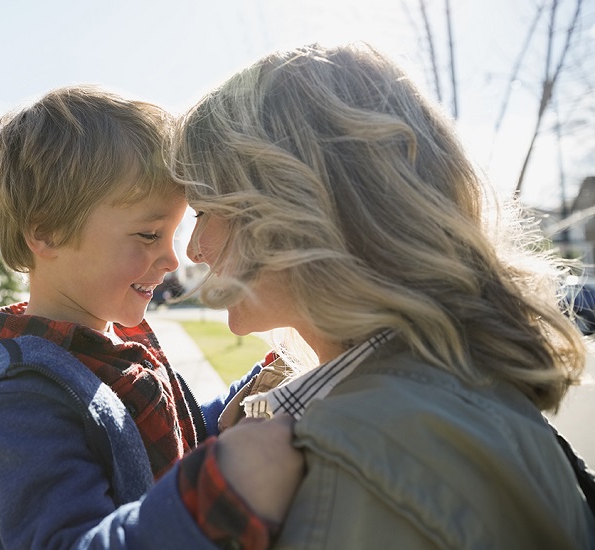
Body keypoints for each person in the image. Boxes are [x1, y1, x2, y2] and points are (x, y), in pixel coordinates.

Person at [169, 43, 595, 548]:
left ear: (291, 205)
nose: (194, 249)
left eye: (203, 210)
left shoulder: (367, 461)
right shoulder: (434, 396)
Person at [0, 86, 303, 550]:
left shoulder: (113, 345)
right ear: (46, 231)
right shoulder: (18, 404)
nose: (172, 259)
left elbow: (171, 441)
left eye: (174, 233)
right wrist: (222, 494)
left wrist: (264, 380)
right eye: (149, 234)